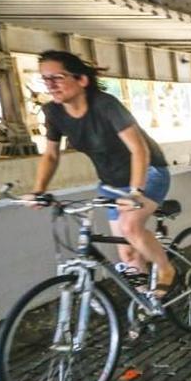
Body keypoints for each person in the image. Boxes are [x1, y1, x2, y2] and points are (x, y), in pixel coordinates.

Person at [25, 50, 176, 298]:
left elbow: (138, 149)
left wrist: (136, 192)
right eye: (45, 79)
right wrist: (38, 190)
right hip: (111, 184)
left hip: (148, 173)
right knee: (127, 252)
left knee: (130, 227)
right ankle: (144, 304)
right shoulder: (53, 113)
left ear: (81, 80)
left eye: (58, 77)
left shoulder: (106, 106)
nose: (50, 85)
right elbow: (51, 155)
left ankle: (165, 269)